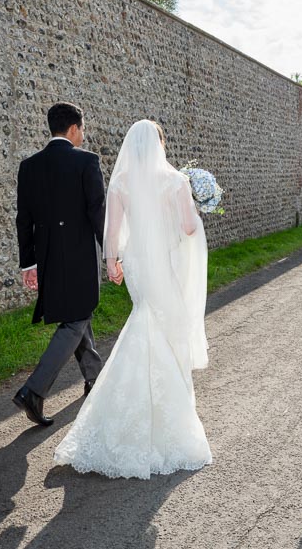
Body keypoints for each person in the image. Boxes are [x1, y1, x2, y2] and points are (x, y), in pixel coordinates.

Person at [53, 119, 212, 479]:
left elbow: (112, 233)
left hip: (138, 262)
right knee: (166, 330)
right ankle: (168, 422)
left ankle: (120, 416)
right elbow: (188, 228)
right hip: (165, 263)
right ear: (159, 145)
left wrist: (113, 264)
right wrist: (196, 209)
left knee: (144, 320)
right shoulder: (176, 181)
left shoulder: (122, 182)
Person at [13, 102, 107, 426]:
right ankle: (33, 391)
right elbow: (98, 212)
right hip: (80, 257)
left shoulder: (29, 166)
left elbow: (23, 220)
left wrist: (29, 264)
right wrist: (112, 253)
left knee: (79, 316)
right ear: (73, 129)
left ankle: (95, 378)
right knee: (75, 320)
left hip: (48, 257)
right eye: (82, 128)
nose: (83, 134)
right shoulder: (87, 161)